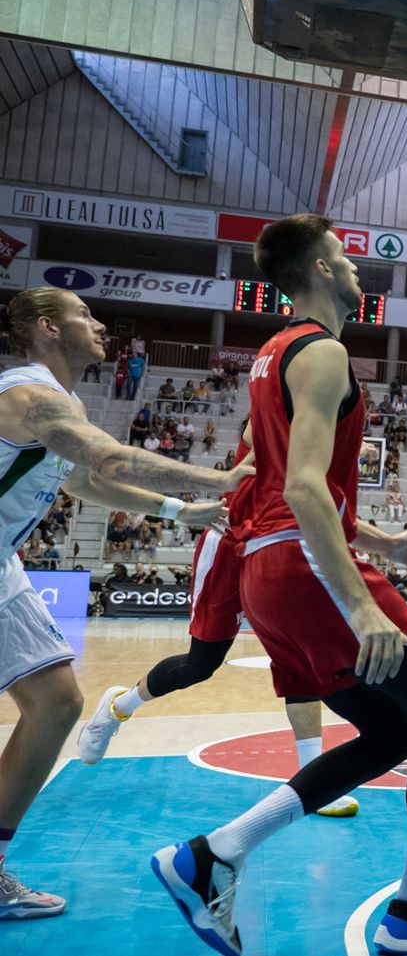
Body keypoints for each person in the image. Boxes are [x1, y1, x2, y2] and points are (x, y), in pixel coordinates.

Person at [149, 214, 407, 954]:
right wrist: (361, 604)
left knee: (396, 728)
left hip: (268, 571)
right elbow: (303, 488)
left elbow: (292, 485)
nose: (355, 268)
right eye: (344, 255)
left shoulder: (272, 355)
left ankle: (215, 853)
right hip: (303, 566)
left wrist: (384, 542)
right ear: (317, 269)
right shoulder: (324, 351)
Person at [0, 288, 245, 920]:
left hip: (3, 562)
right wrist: (217, 478)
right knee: (54, 702)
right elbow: (108, 457)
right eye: (83, 314)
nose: (99, 323)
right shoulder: (27, 396)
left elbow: (88, 480)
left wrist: (180, 510)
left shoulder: (67, 403)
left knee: (57, 703)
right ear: (47, 328)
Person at [77, 431, 407, 820]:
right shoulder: (287, 408)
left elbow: (328, 515)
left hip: (286, 547)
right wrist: (335, 441)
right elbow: (256, 433)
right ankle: (119, 706)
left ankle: (314, 780)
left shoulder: (335, 436)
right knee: (200, 664)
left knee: (302, 661)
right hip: (230, 543)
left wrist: (387, 542)